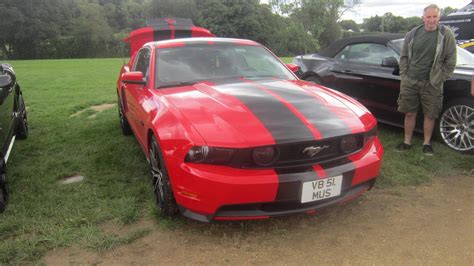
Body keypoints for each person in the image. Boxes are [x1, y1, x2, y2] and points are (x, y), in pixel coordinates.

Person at [396, 4, 457, 155]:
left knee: (430, 115)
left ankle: (426, 143)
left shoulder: (446, 34)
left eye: (434, 17)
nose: (431, 20)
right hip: (411, 81)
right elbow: (403, 57)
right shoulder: (413, 33)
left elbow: (451, 61)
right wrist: (404, 76)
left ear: (439, 17)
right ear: (423, 18)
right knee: (409, 113)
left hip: (432, 83)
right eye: (428, 17)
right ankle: (407, 141)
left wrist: (439, 79)